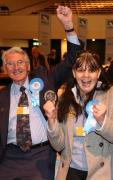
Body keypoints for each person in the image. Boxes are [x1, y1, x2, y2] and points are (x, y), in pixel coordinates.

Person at [0, 5, 83, 180]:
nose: (16, 68)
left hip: (41, 156)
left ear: (28, 65)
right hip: (9, 158)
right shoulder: (1, 96)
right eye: (10, 64)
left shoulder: (46, 80)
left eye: (20, 62)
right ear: (5, 68)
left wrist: (68, 25)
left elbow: (73, 58)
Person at [43, 51, 113, 180]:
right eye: (80, 70)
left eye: (91, 70)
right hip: (71, 172)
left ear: (98, 73)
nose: (86, 76)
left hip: (103, 173)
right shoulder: (64, 98)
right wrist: (52, 121)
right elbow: (58, 145)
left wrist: (102, 120)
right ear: (74, 73)